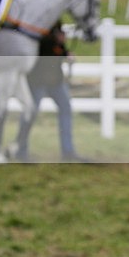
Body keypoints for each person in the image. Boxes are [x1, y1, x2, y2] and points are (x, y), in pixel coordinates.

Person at [16, 21, 87, 162]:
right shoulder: (39, 25)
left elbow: (58, 49)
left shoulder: (55, 23)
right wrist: (58, 44)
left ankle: (68, 151)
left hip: (55, 80)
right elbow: (45, 50)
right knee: (30, 113)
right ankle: (20, 150)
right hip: (38, 80)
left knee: (65, 109)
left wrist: (65, 52)